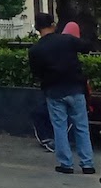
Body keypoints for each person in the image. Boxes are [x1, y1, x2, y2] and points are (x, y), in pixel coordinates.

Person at [29, 12, 97, 174]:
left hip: (53, 91)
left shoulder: (35, 50)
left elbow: (36, 73)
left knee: (59, 127)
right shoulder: (67, 40)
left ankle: (66, 164)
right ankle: (87, 164)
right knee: (81, 127)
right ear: (53, 25)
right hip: (75, 88)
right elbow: (87, 46)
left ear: (37, 28)